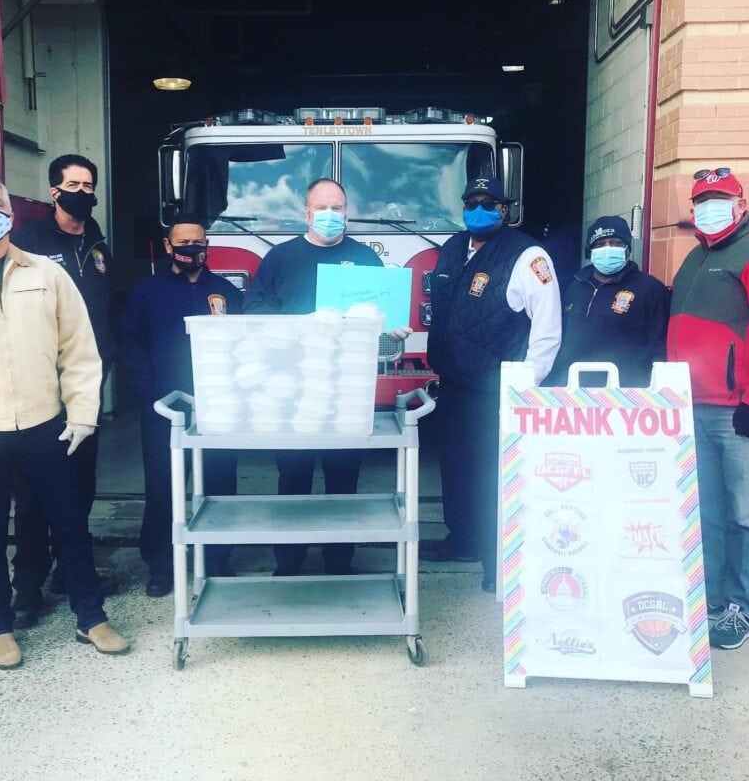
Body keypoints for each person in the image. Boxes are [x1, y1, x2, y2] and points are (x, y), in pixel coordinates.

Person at [0, 173, 128, 668]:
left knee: (71, 524)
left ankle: (91, 618)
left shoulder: (47, 275)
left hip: (46, 426)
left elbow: (80, 351)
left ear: (11, 213)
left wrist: (84, 414)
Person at [244, 178, 410, 576]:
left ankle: (339, 560)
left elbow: (380, 314)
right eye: (323, 208)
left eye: (338, 208)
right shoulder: (280, 258)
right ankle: (289, 560)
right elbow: (254, 309)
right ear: (306, 212)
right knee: (293, 474)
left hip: (346, 386)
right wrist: (301, 324)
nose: (331, 215)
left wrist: (393, 327)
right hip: (293, 385)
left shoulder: (365, 259)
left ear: (347, 212)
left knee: (343, 475)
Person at [424, 176, 562, 591]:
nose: (479, 209)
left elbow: (547, 328)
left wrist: (525, 385)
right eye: (472, 202)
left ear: (505, 210)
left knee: (492, 477)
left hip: (495, 389)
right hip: (453, 382)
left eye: (490, 203)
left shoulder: (527, 255)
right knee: (456, 469)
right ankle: (461, 540)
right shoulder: (451, 249)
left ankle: (497, 564)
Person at [9, 154, 117, 628]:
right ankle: (27, 587)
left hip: (86, 384)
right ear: (54, 190)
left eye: (88, 183)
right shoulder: (28, 243)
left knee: (80, 486)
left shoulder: (97, 243)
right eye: (72, 183)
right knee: (32, 491)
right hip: (39, 386)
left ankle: (69, 576)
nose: (82, 190)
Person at [122, 213, 243, 597]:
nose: (193, 248)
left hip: (218, 408)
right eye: (185, 242)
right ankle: (161, 566)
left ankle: (218, 560)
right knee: (163, 488)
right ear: (169, 246)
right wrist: (150, 395)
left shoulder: (226, 291)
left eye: (200, 241)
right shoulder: (147, 292)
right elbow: (131, 345)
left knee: (220, 486)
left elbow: (247, 345)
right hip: (165, 410)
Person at [668, 167, 749, 650]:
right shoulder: (695, 257)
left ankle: (741, 606)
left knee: (743, 513)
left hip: (733, 411)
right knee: (709, 510)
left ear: (739, 205)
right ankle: (715, 598)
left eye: (720, 199)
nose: (710, 207)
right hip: (690, 405)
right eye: (702, 201)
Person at [546, 215, 670, 387]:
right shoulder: (575, 287)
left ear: (628, 248)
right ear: (590, 251)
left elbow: (660, 350)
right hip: (573, 392)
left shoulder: (650, 289)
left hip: (627, 396)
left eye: (616, 243)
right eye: (600, 244)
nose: (607, 248)